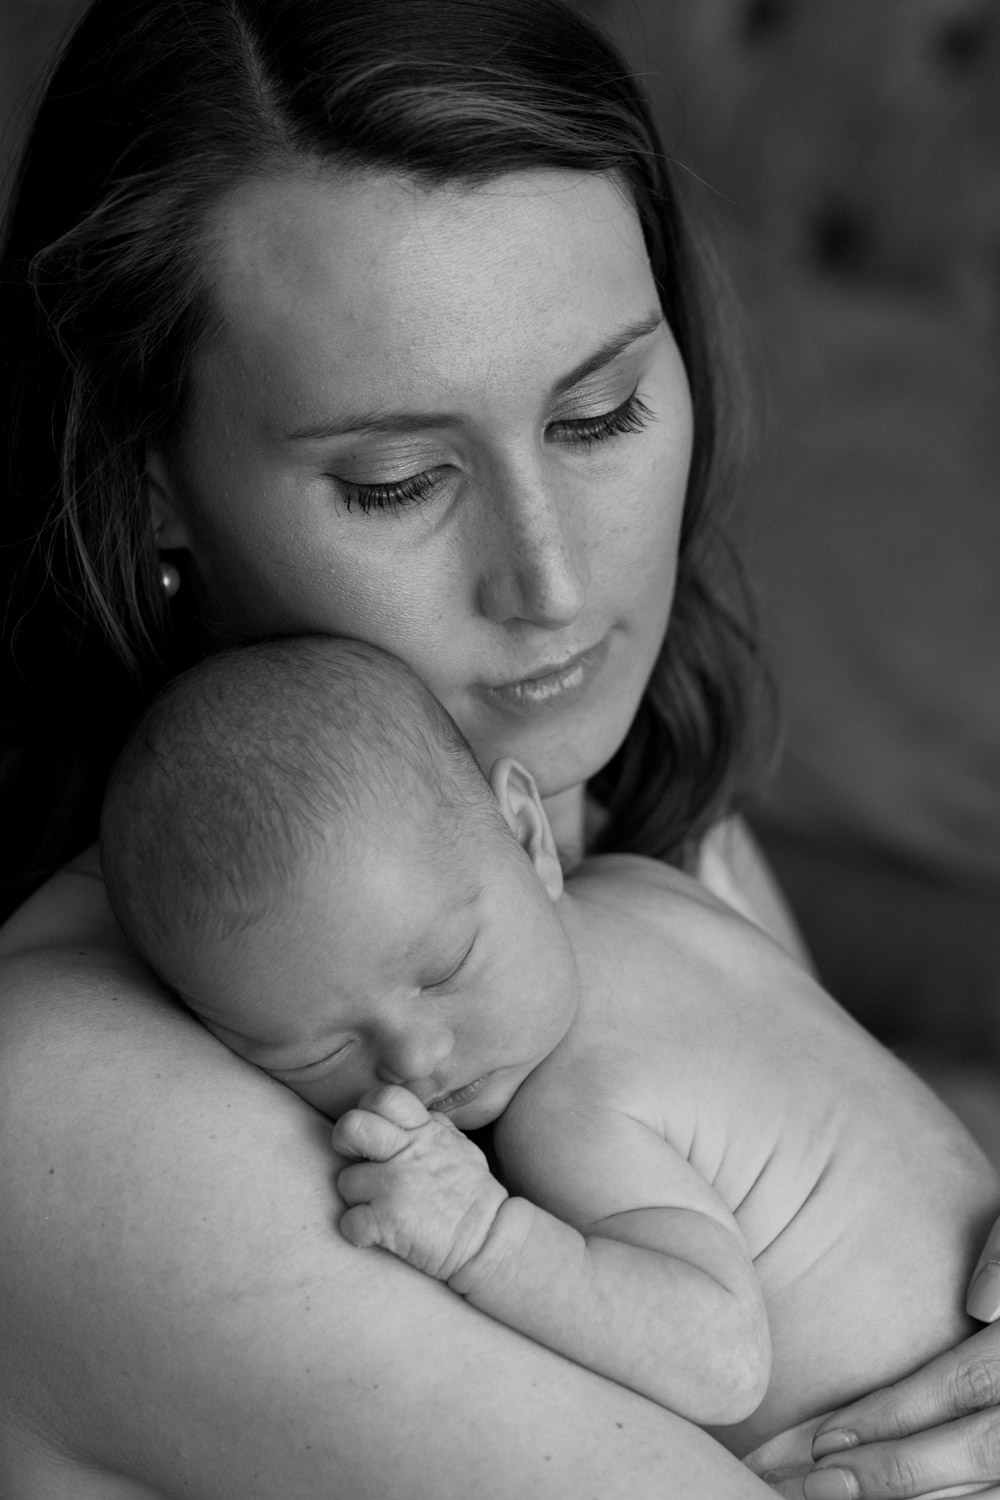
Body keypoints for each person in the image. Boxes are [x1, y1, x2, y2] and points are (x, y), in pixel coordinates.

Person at [2, 1, 1000, 1496]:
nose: (553, 583)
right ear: (148, 487)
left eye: (599, 414)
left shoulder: (617, 812)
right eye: (397, 481)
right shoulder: (80, 1117)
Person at [100, 632, 999, 1483]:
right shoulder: (650, 885)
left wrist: (483, 1238)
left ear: (529, 834)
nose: (416, 1056)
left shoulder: (569, 1107)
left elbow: (721, 1361)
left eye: (446, 969)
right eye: (322, 1049)